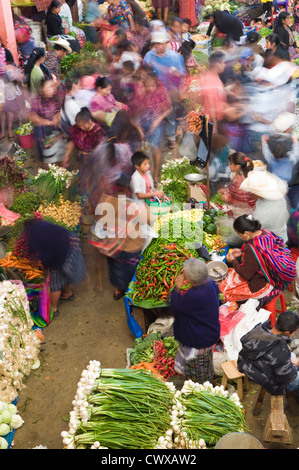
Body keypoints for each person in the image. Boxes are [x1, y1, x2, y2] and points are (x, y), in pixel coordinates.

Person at [219, 214, 296, 305]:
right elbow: (263, 254)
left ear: (246, 233)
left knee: (224, 291)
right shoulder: (264, 232)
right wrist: (241, 251)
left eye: (239, 234)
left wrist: (233, 260)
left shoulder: (253, 248)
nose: (239, 236)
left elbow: (246, 275)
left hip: (268, 283)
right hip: (279, 272)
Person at [170, 258, 220, 384]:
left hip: (198, 340)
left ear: (191, 279)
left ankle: (201, 389)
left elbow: (176, 305)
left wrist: (177, 288)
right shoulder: (211, 284)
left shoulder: (194, 295)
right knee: (206, 362)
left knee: (197, 370)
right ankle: (208, 379)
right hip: (210, 333)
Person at [24, 218, 87, 317]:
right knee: (64, 272)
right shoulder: (43, 226)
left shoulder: (33, 232)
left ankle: (54, 309)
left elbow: (46, 253)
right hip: (72, 242)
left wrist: (46, 266)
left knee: (55, 282)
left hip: (62, 249)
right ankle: (68, 293)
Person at [237, 310, 299, 398]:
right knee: (296, 376)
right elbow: (287, 378)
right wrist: (294, 364)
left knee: (291, 355)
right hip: (265, 377)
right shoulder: (280, 350)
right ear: (287, 333)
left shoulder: (260, 329)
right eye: (295, 332)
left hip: (246, 363)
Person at [143, 30, 186, 149]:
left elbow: (182, 74)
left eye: (160, 44)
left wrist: (176, 74)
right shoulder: (149, 56)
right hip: (154, 91)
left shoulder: (174, 57)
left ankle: (171, 137)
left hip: (170, 90)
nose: (157, 46)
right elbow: (145, 73)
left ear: (165, 43)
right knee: (154, 114)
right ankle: (154, 137)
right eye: (155, 44)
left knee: (171, 114)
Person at [130, 70, 172, 180]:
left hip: (156, 122)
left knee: (155, 148)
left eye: (152, 85)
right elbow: (133, 115)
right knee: (139, 148)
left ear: (156, 84)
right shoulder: (140, 94)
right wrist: (139, 129)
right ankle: (141, 173)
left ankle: (156, 174)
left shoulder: (161, 93)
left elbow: (168, 109)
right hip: (142, 122)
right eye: (147, 86)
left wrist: (157, 121)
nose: (150, 88)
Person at [240, 167, 289, 241]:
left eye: (251, 191)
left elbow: (250, 232)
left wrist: (229, 238)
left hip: (272, 244)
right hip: (280, 235)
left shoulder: (265, 211)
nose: (248, 193)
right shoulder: (277, 197)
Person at [30, 79, 62, 161]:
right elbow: (33, 117)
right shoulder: (36, 100)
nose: (54, 88)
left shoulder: (56, 97)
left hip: (54, 129)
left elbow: (60, 109)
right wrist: (48, 122)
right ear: (42, 90)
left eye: (54, 86)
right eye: (51, 86)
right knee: (45, 153)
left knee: (56, 149)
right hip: (41, 131)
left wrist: (58, 115)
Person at [200, 51, 227, 134]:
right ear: (217, 64)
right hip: (212, 121)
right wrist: (214, 126)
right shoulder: (209, 81)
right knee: (210, 144)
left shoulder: (214, 76)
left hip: (217, 119)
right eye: (223, 63)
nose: (225, 65)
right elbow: (211, 105)